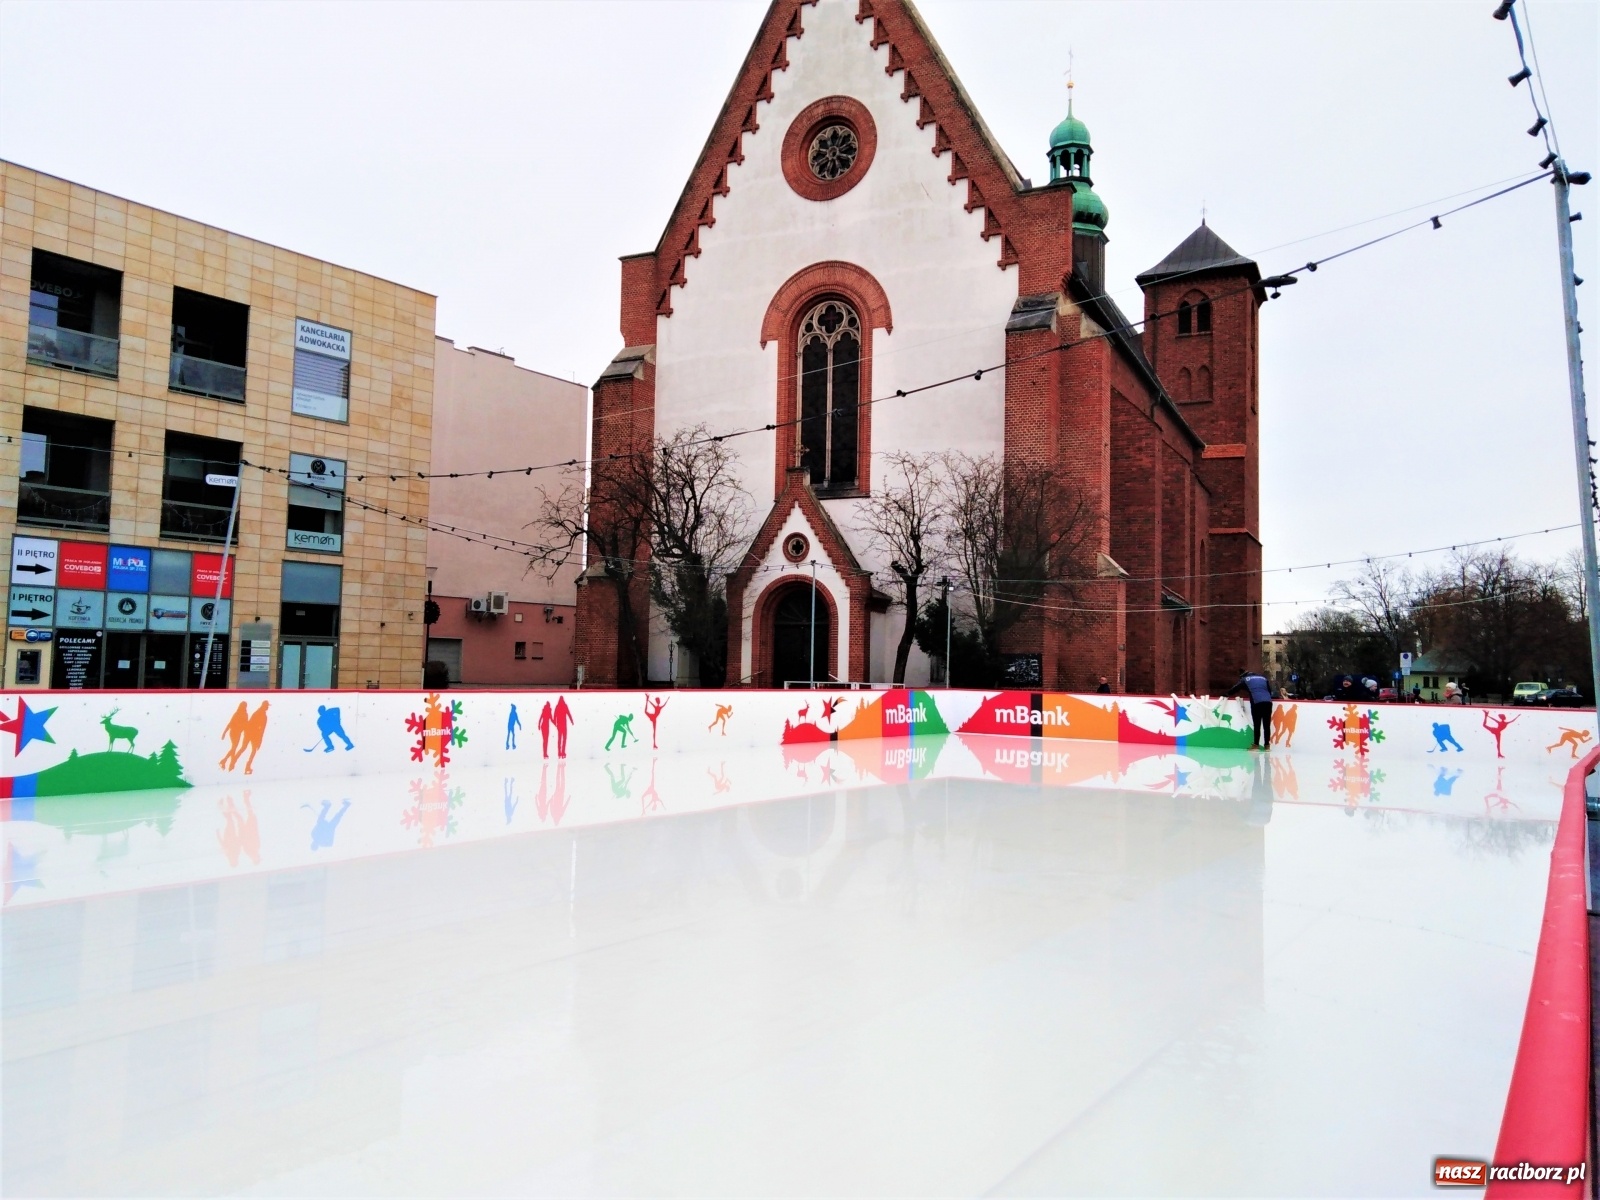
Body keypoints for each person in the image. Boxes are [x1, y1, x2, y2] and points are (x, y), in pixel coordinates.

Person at [1227, 668, 1274, 751]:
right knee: (1267, 725)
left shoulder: (1245, 679)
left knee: (1257, 724)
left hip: (1257, 702)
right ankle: (1267, 746)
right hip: (1268, 702)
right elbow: (1269, 691)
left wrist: (1226, 694)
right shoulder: (1263, 678)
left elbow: (1235, 689)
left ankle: (1255, 745)